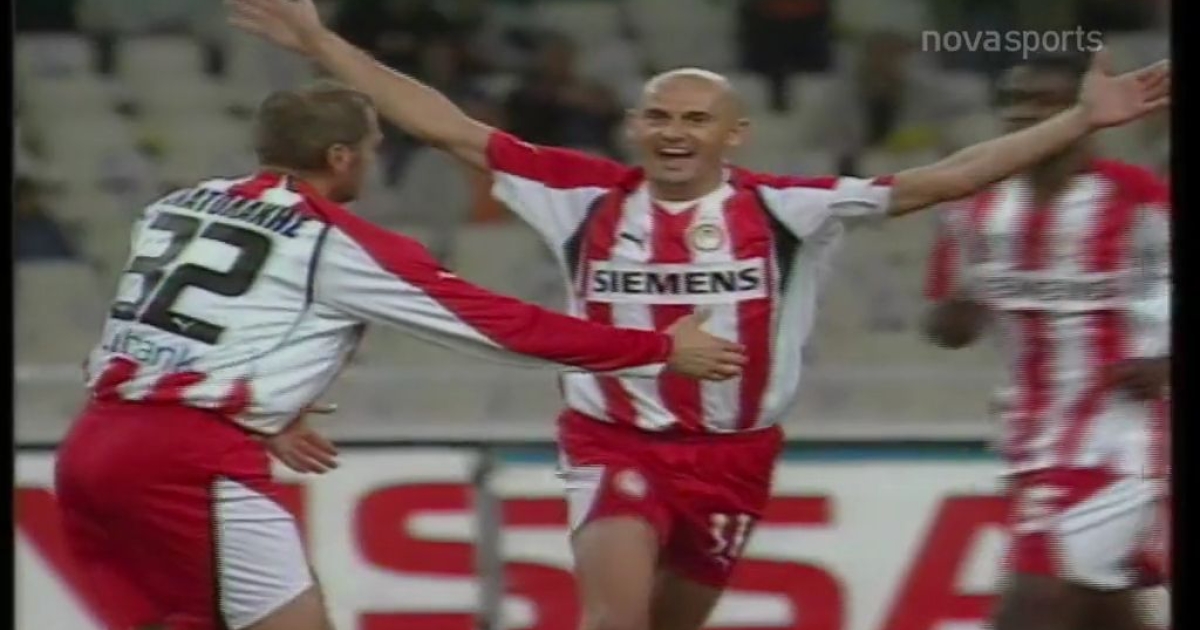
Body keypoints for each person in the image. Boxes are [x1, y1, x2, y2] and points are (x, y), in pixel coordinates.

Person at [227, 2, 1170, 629]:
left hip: (734, 457)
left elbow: (943, 179)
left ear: (732, 135)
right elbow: (443, 123)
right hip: (615, 444)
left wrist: (1078, 122)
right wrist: (321, 42)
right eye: (659, 118)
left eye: (693, 120)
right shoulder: (578, 195)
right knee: (614, 617)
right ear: (636, 128)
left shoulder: (786, 210)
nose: (673, 133)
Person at [53, 81, 749, 630]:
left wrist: (269, 408)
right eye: (373, 146)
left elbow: (190, 326)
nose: (375, 159)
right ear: (341, 158)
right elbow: (503, 328)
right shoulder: (337, 241)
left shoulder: (177, 207)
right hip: (189, 461)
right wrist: (659, 347)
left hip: (91, 446)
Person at [921, 54, 1170, 630]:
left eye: (1044, 102)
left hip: (1124, 438)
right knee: (1098, 611)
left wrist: (1165, 364)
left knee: (1033, 602)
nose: (1023, 114)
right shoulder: (975, 207)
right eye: (1014, 102)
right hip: (1031, 438)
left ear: (1087, 112)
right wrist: (957, 314)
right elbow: (945, 326)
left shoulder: (1136, 199)